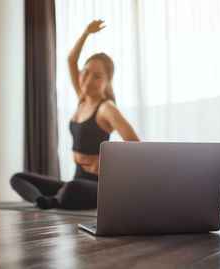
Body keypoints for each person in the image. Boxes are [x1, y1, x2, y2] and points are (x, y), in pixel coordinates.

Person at [10, 20, 140, 210]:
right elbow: (71, 60)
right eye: (85, 73)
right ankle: (44, 200)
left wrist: (109, 167)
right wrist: (86, 33)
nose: (88, 80)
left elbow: (136, 146)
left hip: (97, 184)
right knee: (18, 178)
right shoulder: (82, 98)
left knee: (71, 189)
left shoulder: (106, 108)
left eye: (97, 76)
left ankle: (57, 198)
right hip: (77, 178)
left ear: (108, 81)